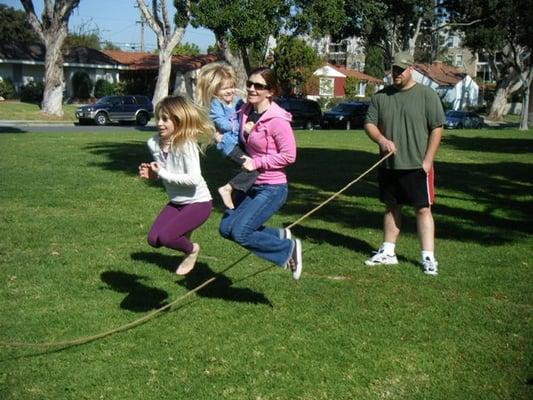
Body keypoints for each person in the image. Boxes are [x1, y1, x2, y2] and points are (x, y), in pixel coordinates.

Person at [363, 51, 445, 275]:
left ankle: (428, 257)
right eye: (394, 69)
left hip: (417, 165)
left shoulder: (427, 95)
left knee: (422, 209)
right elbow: (369, 123)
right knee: (391, 207)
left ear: (412, 69)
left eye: (401, 70)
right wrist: (381, 140)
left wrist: (427, 161)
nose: (396, 73)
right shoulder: (381, 97)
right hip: (389, 165)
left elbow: (437, 128)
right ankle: (388, 252)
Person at [218, 67, 303, 280]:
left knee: (241, 233)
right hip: (250, 184)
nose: (252, 89)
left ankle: (288, 248)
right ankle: (279, 236)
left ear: (270, 91)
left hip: (272, 187)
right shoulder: (245, 110)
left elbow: (289, 156)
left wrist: (257, 162)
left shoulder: (277, 120)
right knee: (226, 227)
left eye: (259, 86)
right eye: (249, 84)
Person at [138, 95, 214, 276]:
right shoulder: (153, 143)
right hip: (177, 202)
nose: (160, 123)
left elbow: (193, 179)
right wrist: (152, 176)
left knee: (167, 237)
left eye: (166, 119)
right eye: (158, 118)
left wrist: (161, 173)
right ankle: (182, 234)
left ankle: (192, 250)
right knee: (153, 240)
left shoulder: (186, 144)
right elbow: (168, 171)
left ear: (178, 121)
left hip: (199, 202)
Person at [196, 62, 259, 210]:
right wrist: (242, 126)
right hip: (229, 145)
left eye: (231, 87)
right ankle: (227, 189)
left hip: (238, 141)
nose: (230, 91)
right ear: (215, 90)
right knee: (252, 168)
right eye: (224, 88)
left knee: (251, 167)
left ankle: (239, 200)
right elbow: (224, 125)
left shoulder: (237, 100)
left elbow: (245, 112)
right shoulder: (216, 104)